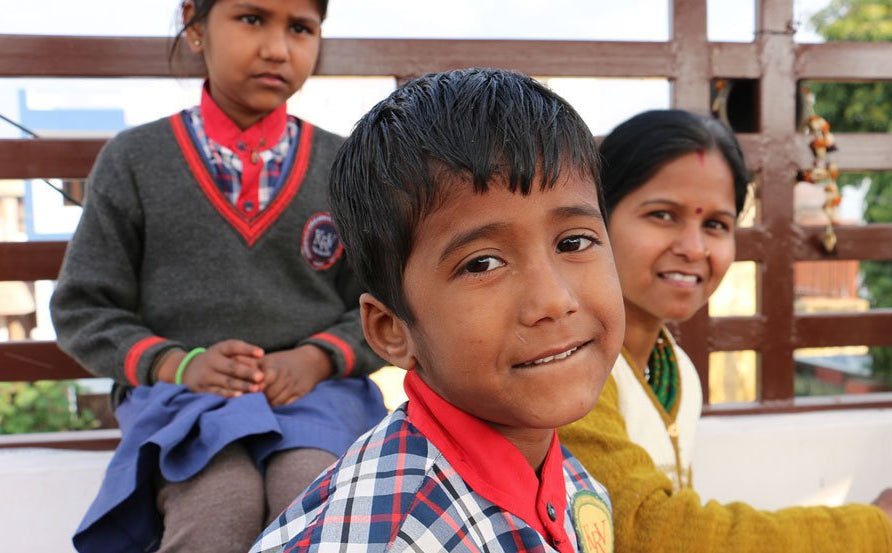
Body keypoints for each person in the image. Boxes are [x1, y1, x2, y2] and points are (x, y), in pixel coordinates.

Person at [50, 1, 388, 551]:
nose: (278, 48)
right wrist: (179, 364)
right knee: (218, 506)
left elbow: (383, 301)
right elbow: (83, 308)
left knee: (312, 496)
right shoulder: (134, 160)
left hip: (319, 392)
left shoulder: (344, 165)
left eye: (301, 28)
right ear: (194, 25)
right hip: (181, 395)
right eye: (252, 19)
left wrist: (317, 357)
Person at [250, 67, 625, 553]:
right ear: (391, 331)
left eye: (574, 241)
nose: (554, 300)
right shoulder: (392, 536)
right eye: (482, 263)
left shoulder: (573, 483)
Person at [558, 109, 892, 552]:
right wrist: (874, 528)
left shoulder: (676, 370)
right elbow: (647, 530)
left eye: (715, 224)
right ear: (597, 217)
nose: (694, 248)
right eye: (662, 215)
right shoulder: (570, 363)